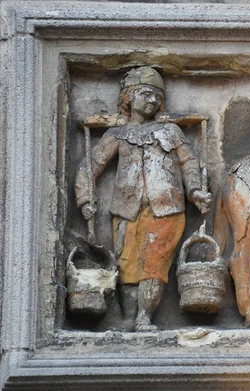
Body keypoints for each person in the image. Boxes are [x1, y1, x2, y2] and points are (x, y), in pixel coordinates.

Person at [75, 67, 211, 331]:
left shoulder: (171, 131)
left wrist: (195, 191)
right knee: (127, 265)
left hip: (167, 209)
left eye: (156, 97)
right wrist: (84, 201)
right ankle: (128, 318)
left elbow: (189, 163)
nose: (152, 101)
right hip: (127, 210)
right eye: (145, 94)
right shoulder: (117, 134)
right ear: (129, 97)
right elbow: (89, 167)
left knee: (154, 264)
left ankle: (144, 317)